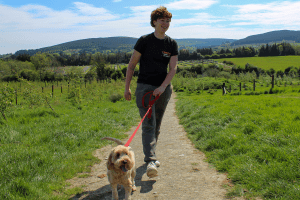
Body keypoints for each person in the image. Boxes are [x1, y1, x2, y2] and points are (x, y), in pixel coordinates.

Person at [124, 6, 178, 178]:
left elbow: (173, 68)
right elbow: (132, 65)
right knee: (148, 124)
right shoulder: (144, 41)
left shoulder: (171, 44)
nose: (166, 23)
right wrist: (127, 87)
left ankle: (151, 156)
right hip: (145, 88)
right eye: (162, 20)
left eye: (168, 20)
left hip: (163, 90)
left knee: (157, 124)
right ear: (154, 22)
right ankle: (151, 161)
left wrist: (163, 87)